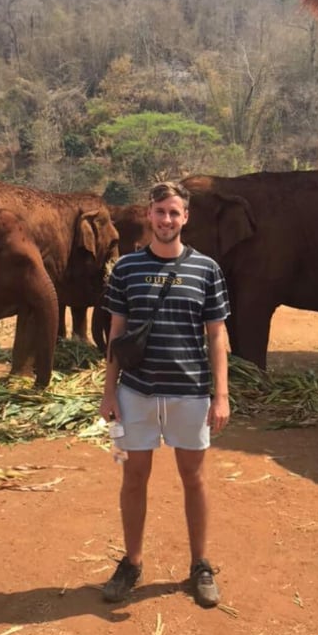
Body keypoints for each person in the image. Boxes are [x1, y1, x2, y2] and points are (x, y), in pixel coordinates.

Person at [98, 181, 230, 608]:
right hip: (135, 393)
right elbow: (116, 334)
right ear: (149, 215)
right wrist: (109, 392)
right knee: (133, 476)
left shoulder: (207, 269)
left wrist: (221, 395)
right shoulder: (126, 269)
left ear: (185, 217)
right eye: (160, 212)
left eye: (174, 213)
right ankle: (132, 563)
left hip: (190, 394)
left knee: (193, 478)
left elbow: (217, 335)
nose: (167, 220)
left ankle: (200, 565)